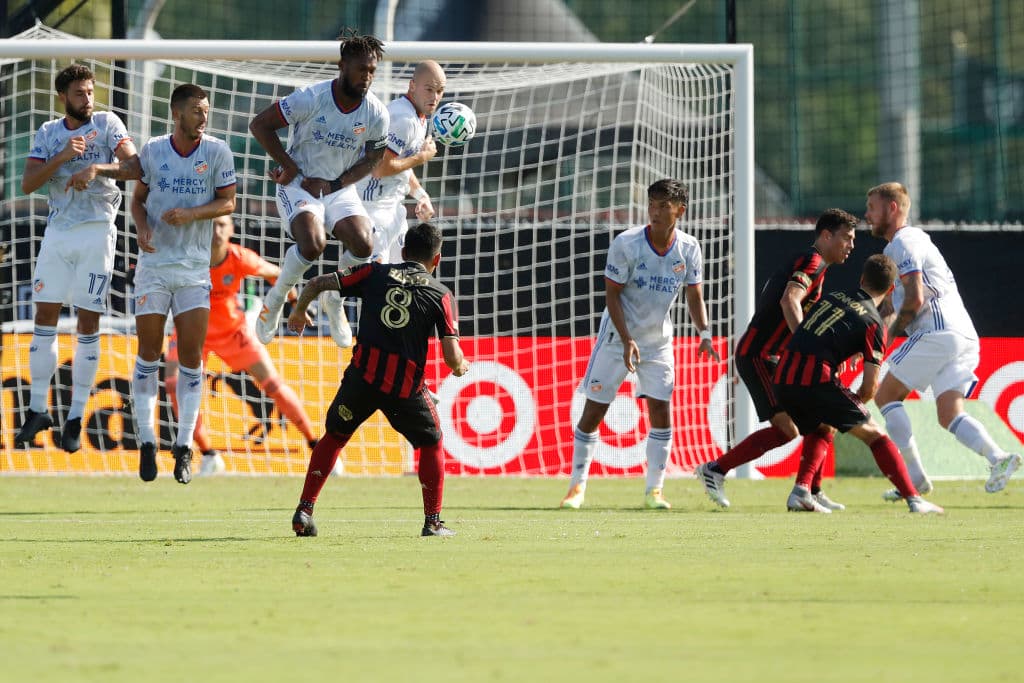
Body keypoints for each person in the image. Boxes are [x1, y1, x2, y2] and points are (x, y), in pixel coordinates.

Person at [286, 222, 469, 537]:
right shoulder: (440, 293)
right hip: (405, 390)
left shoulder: (374, 273)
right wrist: (461, 366)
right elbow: (451, 357)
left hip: (362, 381)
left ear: (403, 251)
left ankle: (305, 509)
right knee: (432, 442)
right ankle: (432, 522)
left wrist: (299, 312)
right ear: (436, 260)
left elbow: (316, 283)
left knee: (334, 437)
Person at [560, 179, 720, 510]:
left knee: (661, 409)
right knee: (595, 410)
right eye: (652, 204)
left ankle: (654, 491)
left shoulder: (689, 248)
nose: (656, 211)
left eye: (664, 206)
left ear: (680, 211)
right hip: (617, 336)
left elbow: (694, 294)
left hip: (658, 340)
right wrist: (627, 339)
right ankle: (576, 488)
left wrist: (704, 333)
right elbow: (612, 294)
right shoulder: (627, 243)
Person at [14, 63, 141, 453]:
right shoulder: (49, 133)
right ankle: (38, 409)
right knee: (43, 317)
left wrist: (96, 167)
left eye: (90, 91)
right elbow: (29, 182)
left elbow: (136, 166)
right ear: (63, 97)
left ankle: (74, 416)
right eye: (80, 94)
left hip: (97, 234)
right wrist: (62, 158)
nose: (88, 99)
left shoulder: (107, 123)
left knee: (88, 321)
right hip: (57, 233)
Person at [695, 208, 858, 511]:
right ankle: (715, 470)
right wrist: (805, 346)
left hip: (774, 356)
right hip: (759, 355)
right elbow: (789, 300)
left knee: (822, 420)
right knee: (789, 430)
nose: (851, 245)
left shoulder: (815, 265)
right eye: (847, 238)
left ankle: (811, 488)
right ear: (826, 236)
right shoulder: (812, 261)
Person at [866, 182, 1021, 497]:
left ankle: (913, 480)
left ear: (892, 208)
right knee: (949, 413)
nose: (867, 215)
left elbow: (915, 299)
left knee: (885, 397)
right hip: (963, 335)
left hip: (937, 332)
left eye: (872, 207)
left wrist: (887, 342)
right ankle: (999, 458)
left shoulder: (901, 243)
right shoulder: (915, 241)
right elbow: (893, 306)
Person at [772, 254, 943, 514]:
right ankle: (914, 499)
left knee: (824, 426)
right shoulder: (874, 323)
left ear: (861, 278)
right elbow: (870, 386)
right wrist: (855, 404)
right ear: (891, 289)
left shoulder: (832, 297)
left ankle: (802, 491)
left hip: (783, 375)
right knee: (875, 433)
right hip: (814, 379)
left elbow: (811, 334)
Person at [250, 30, 389, 349]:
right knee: (313, 244)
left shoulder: (376, 113)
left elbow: (374, 158)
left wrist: (335, 184)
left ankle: (333, 298)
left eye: (372, 71)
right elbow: (260, 125)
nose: (367, 77)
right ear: (342, 66)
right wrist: (290, 166)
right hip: (299, 185)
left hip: (337, 187)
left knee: (364, 244)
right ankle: (275, 301)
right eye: (361, 69)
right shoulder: (311, 98)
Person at [130, 83, 236, 485]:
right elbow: (137, 199)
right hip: (154, 266)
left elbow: (229, 202)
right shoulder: (154, 150)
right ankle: (145, 441)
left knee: (192, 357)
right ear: (177, 114)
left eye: (206, 110)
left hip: (193, 268)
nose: (203, 116)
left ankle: (184, 445)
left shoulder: (218, 152)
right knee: (149, 352)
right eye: (196, 110)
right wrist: (141, 228)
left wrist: (192, 215)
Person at [164, 215, 319, 475]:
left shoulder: (239, 258)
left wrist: (295, 304)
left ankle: (317, 445)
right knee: (173, 385)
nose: (216, 230)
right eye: (211, 224)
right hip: (191, 331)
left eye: (222, 224)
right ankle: (208, 455)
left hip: (233, 332)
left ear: (231, 230)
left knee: (273, 385)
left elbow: (277, 275)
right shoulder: (189, 256)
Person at [355, 60, 446, 263]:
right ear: (412, 85)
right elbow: (380, 168)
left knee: (403, 276)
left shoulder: (418, 117)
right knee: (376, 279)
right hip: (372, 207)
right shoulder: (402, 119)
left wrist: (420, 194)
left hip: (393, 208)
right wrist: (421, 157)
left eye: (440, 91)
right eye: (429, 89)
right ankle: (333, 295)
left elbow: (401, 164)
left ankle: (334, 295)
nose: (435, 97)